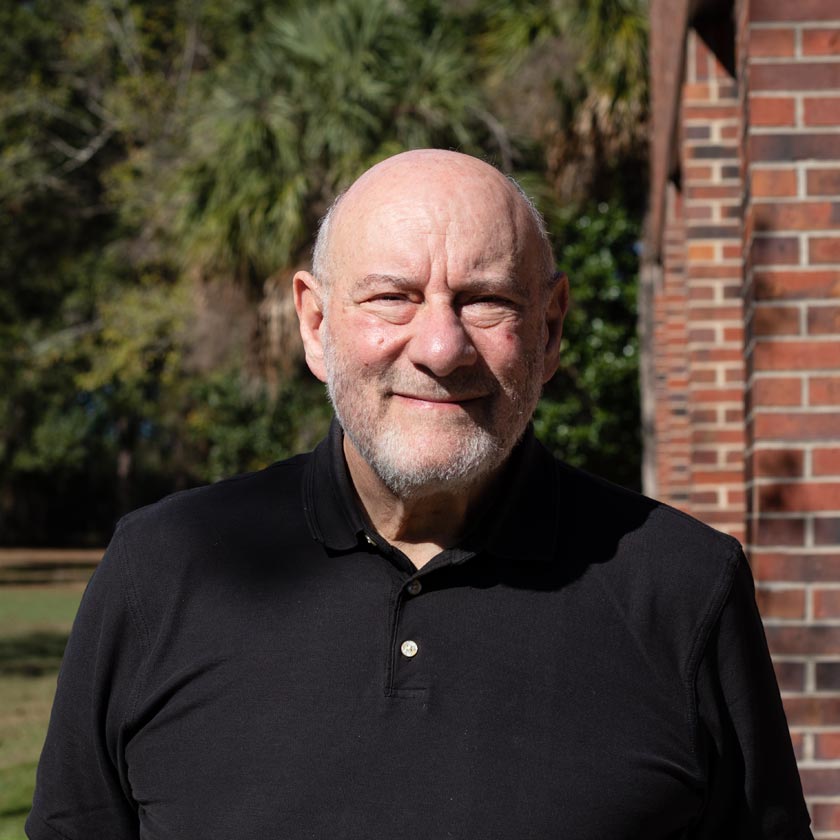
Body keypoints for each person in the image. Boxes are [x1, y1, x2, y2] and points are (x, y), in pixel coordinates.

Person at [27, 150, 812, 839]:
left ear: (550, 330)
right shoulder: (163, 570)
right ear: (314, 323)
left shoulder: (683, 588)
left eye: (486, 300)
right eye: (392, 296)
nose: (441, 347)